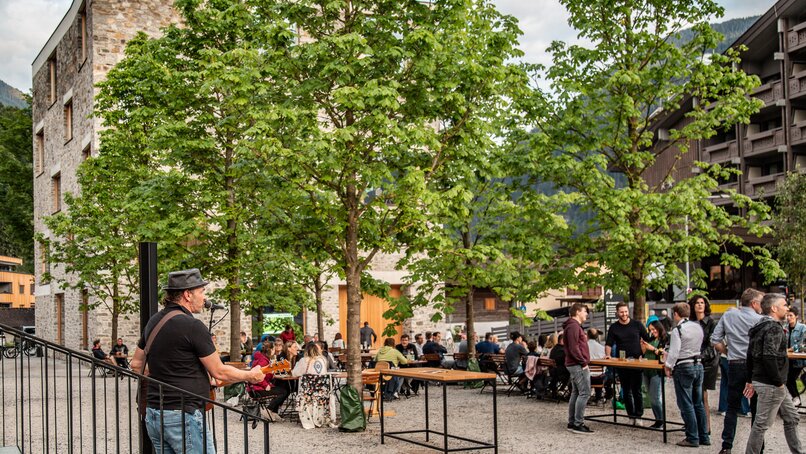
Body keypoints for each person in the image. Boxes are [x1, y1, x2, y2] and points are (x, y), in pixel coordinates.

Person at [130, 268, 264, 454]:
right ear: (187, 294)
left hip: (154, 413)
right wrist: (250, 375)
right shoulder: (192, 326)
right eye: (201, 291)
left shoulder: (154, 321)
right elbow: (220, 371)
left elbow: (136, 364)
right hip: (183, 415)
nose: (204, 296)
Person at [744, 293, 804, 454]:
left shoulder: (760, 326)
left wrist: (750, 379)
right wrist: (778, 382)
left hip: (771, 382)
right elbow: (768, 357)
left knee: (792, 417)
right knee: (761, 424)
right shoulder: (773, 328)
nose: (787, 308)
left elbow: (750, 355)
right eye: (784, 305)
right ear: (774, 308)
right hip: (771, 384)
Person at [711, 288, 764, 454]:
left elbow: (715, 339)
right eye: (761, 302)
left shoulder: (729, 315)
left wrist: (728, 351)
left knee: (732, 407)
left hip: (735, 364)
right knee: (756, 408)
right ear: (754, 303)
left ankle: (726, 446)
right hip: (755, 366)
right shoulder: (762, 319)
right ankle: (758, 448)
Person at [664, 303, 709, 448]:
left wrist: (668, 366)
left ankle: (692, 437)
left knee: (686, 403)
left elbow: (674, 351)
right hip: (698, 364)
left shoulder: (678, 330)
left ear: (676, 314)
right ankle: (704, 436)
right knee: (698, 403)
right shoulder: (698, 326)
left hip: (684, 366)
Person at [605, 301, 651, 426]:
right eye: (621, 312)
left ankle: (639, 416)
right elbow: (608, 343)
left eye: (626, 311)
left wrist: (644, 353)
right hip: (622, 363)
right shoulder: (614, 327)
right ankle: (630, 415)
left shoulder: (637, 324)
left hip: (637, 362)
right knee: (626, 390)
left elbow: (647, 339)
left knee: (637, 390)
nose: (624, 314)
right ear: (617, 313)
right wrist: (608, 355)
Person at [688, 294, 719, 434]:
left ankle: (706, 428)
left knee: (702, 395)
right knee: (692, 395)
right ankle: (696, 424)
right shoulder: (689, 323)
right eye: (697, 303)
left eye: (702, 303)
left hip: (707, 362)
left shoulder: (712, 323)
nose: (700, 305)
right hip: (691, 360)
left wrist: (700, 356)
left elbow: (712, 345)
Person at [563, 303, 594, 435]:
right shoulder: (574, 326)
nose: (586, 314)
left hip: (574, 364)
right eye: (584, 311)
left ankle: (572, 422)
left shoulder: (571, 326)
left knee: (576, 393)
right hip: (577, 364)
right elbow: (574, 347)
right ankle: (578, 423)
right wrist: (583, 363)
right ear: (577, 312)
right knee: (585, 393)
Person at [291, 342, 334, 429]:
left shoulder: (304, 360)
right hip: (321, 394)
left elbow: (295, 373)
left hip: (308, 394)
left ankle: (308, 418)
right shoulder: (323, 360)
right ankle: (320, 418)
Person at [249, 340, 289, 420]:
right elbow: (256, 376)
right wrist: (266, 385)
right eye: (274, 349)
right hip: (257, 389)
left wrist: (272, 374)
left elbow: (265, 373)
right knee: (284, 391)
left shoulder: (263, 358)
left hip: (256, 387)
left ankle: (273, 412)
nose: (275, 351)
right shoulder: (263, 361)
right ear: (270, 350)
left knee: (283, 389)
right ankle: (269, 410)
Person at [641, 320, 668, 429]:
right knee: (651, 397)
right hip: (647, 370)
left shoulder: (665, 339)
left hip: (657, 372)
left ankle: (661, 420)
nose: (652, 331)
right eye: (650, 330)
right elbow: (644, 353)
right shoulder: (650, 339)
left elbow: (664, 354)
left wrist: (653, 349)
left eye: (654, 329)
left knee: (655, 397)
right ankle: (658, 419)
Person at [785, 306, 806, 406]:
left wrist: (789, 349)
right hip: (787, 359)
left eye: (791, 315)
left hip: (798, 360)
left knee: (790, 379)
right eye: (787, 315)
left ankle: (796, 399)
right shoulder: (785, 328)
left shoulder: (802, 328)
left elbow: (803, 345)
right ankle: (796, 399)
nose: (788, 318)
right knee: (786, 379)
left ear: (796, 316)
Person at [548, 333, 568, 398]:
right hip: (560, 374)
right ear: (562, 340)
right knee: (572, 373)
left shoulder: (553, 349)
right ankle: (568, 391)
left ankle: (558, 389)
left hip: (552, 372)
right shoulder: (563, 350)